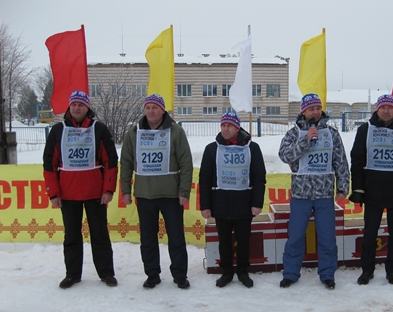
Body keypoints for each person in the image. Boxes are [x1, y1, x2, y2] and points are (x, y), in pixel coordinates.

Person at [43, 90, 118, 289]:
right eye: (74, 104)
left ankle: (106, 273)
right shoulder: (58, 130)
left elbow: (110, 161)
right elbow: (49, 164)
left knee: (100, 234)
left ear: (87, 107)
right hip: (68, 194)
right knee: (72, 236)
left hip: (95, 194)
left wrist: (108, 189)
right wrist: (53, 193)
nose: (77, 108)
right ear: (69, 107)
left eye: (81, 105)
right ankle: (72, 274)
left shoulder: (99, 129)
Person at [120, 94, 193, 289]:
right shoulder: (134, 132)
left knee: (176, 236)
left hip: (171, 194)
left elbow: (186, 163)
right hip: (145, 194)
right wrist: (125, 189)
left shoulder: (176, 131)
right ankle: (152, 274)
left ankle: (179, 275)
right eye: (148, 107)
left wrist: (184, 191)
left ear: (162, 110)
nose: (151, 111)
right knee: (147, 238)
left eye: (155, 107)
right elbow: (126, 162)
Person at [278, 93, 349, 289]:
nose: (316, 112)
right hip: (301, 194)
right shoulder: (293, 134)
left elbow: (341, 161)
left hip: (324, 194)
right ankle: (291, 273)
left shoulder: (332, 134)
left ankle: (327, 274)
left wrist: (343, 187)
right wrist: (305, 140)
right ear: (304, 111)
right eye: (311, 109)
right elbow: (284, 155)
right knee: (296, 236)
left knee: (327, 237)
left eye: (318, 109)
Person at [349, 94, 393, 285]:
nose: (386, 111)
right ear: (377, 109)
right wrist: (357, 188)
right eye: (383, 107)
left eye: (390, 107)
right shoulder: (365, 130)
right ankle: (367, 270)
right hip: (372, 191)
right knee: (370, 234)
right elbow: (357, 159)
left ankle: (392, 270)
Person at [199, 112, 266, 288]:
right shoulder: (212, 149)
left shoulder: (252, 148)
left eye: (229, 125)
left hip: (244, 203)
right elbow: (204, 178)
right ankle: (227, 272)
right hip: (221, 203)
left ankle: (243, 271)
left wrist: (257, 203)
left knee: (244, 241)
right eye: (223, 125)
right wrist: (205, 205)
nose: (225, 129)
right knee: (224, 241)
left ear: (237, 127)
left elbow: (259, 177)